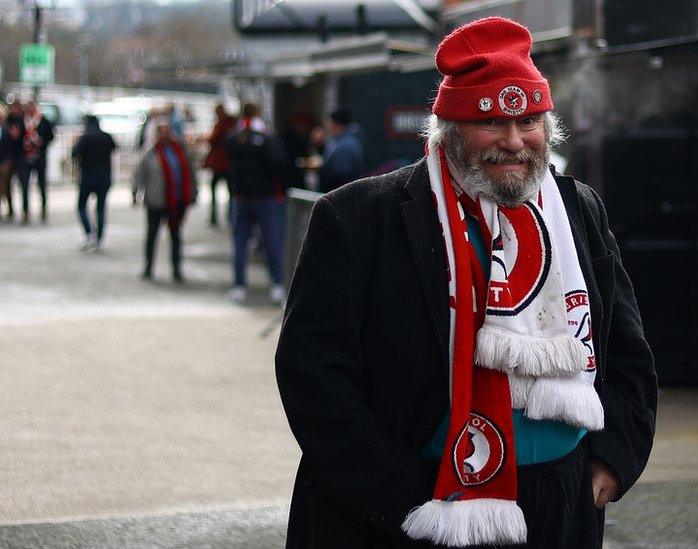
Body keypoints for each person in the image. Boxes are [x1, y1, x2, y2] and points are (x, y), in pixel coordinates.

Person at [276, 17, 658, 549]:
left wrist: (614, 458)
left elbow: (628, 351)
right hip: (416, 507)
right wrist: (410, 501)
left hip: (559, 506)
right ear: (448, 129)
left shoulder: (578, 209)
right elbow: (313, 378)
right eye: (490, 124)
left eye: (528, 121)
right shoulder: (359, 217)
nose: (513, 142)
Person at [225, 102, 286, 305]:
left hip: (242, 197)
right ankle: (277, 284)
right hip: (264, 198)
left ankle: (239, 286)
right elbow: (277, 163)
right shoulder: (266, 138)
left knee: (240, 243)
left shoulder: (236, 137)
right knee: (271, 242)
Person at [132, 122, 195, 282]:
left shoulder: (180, 152)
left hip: (176, 201)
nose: (166, 135)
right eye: (162, 132)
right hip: (156, 201)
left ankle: (176, 268)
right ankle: (148, 267)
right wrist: (135, 192)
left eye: (168, 131)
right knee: (152, 235)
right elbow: (140, 174)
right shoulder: (151, 154)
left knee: (175, 235)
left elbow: (190, 173)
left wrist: (193, 193)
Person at [72, 115, 116, 251]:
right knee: (101, 208)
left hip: (88, 177)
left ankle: (89, 232)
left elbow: (74, 153)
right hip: (104, 177)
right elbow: (114, 148)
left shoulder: (85, 138)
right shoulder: (107, 137)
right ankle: (99, 237)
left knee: (81, 205)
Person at [19, 100, 55, 224]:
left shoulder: (43, 120)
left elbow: (50, 136)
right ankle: (25, 211)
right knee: (24, 185)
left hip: (39, 156)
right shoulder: (22, 121)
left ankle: (44, 209)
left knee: (42, 184)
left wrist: (41, 141)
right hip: (25, 157)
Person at [201, 104, 237, 226]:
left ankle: (216, 217)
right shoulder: (232, 123)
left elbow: (213, 138)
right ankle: (230, 216)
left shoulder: (222, 123)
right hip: (228, 163)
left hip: (221, 163)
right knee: (230, 191)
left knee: (217, 189)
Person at [314, 109, 364, 193]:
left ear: (335, 124)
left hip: (341, 196)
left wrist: (322, 171)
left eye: (329, 122)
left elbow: (342, 174)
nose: (328, 126)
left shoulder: (346, 144)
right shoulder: (338, 139)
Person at [0, 103, 17, 221]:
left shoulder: (7, 128)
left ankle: (10, 209)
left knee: (6, 186)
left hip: (6, 162)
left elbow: (11, 146)